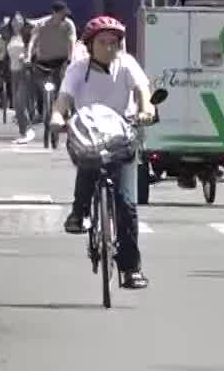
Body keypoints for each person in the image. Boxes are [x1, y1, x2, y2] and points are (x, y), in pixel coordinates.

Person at [51, 16, 156, 289]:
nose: (109, 48)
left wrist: (146, 110)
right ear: (89, 45)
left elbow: (142, 90)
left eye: (114, 43)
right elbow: (64, 99)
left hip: (122, 135)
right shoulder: (77, 69)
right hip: (89, 133)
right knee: (88, 163)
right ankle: (79, 212)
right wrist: (57, 117)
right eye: (103, 43)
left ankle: (131, 268)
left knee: (126, 204)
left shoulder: (127, 64)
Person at [29, 0, 77, 102]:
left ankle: (62, 108)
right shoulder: (42, 24)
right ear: (54, 13)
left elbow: (72, 41)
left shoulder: (68, 24)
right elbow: (32, 41)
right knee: (38, 87)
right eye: (62, 13)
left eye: (65, 14)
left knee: (61, 86)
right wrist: (28, 56)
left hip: (61, 61)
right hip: (42, 62)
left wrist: (70, 58)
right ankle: (40, 111)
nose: (65, 16)